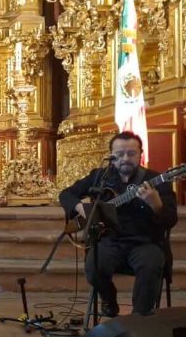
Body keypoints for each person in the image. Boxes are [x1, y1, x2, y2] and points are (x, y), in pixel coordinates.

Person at [58, 131, 178, 317]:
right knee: (94, 266)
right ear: (111, 156)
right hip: (109, 240)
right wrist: (80, 207)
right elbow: (66, 194)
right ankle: (109, 299)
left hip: (145, 242)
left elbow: (171, 220)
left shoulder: (158, 181)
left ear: (140, 154)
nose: (125, 159)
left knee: (151, 266)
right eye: (119, 154)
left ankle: (140, 318)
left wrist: (156, 204)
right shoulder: (100, 177)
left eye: (131, 153)